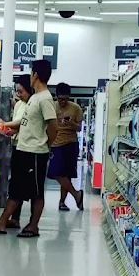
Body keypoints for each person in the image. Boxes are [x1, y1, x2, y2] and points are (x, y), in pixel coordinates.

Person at [0, 58, 57, 238]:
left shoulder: (45, 99)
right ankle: (2, 222)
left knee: (36, 192)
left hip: (35, 152)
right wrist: (6, 127)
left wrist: (47, 145)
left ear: (35, 75)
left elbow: (53, 126)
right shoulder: (35, 98)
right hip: (23, 150)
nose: (30, 76)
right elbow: (25, 123)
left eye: (31, 73)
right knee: (16, 189)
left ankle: (33, 226)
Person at [0, 77, 31, 228]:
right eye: (17, 91)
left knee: (20, 185)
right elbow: (17, 126)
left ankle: (10, 219)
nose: (18, 94)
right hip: (17, 145)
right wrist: (7, 130)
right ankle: (15, 218)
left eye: (21, 91)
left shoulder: (32, 105)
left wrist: (5, 123)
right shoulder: (19, 105)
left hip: (27, 148)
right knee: (16, 183)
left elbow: (23, 122)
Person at [50, 82, 85, 211]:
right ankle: (76, 194)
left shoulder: (76, 108)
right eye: (60, 99)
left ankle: (62, 202)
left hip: (71, 143)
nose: (63, 102)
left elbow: (79, 128)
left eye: (65, 99)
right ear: (56, 96)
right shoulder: (51, 106)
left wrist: (71, 123)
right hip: (55, 143)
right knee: (55, 172)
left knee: (66, 174)